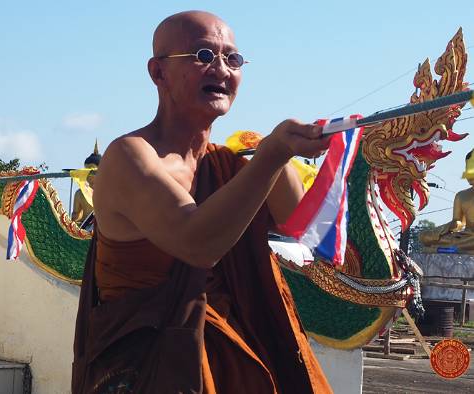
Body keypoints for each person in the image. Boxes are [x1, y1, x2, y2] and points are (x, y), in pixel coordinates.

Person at [72, 11, 333, 393]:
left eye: (233, 59)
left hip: (234, 364)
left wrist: (302, 152)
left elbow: (306, 225)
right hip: (151, 369)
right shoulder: (130, 156)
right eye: (204, 56)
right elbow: (198, 244)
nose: (222, 70)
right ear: (158, 72)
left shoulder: (230, 163)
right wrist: (272, 155)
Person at [72, 141, 101, 227]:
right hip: (85, 227)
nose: (89, 175)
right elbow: (76, 216)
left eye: (92, 172)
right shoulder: (80, 193)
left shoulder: (107, 192)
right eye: (86, 172)